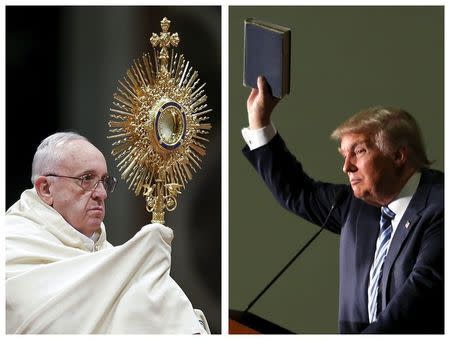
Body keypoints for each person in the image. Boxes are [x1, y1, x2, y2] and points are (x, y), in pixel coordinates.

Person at [241, 77, 443, 334]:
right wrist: (260, 122)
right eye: (343, 155)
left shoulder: (439, 208)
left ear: (398, 156)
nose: (346, 167)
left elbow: (416, 302)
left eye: (358, 152)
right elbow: (296, 190)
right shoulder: (356, 205)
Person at [5, 132, 210, 334]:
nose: (101, 193)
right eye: (86, 179)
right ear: (46, 189)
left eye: (104, 181)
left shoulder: (119, 262)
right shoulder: (11, 244)